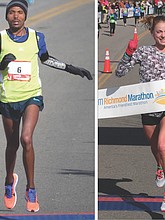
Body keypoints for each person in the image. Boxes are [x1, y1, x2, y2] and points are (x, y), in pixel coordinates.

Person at [0, 0, 92, 213]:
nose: (15, 16)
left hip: (32, 95)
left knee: (26, 139)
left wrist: (72, 68)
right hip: (7, 98)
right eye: (11, 12)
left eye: (20, 12)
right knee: (12, 145)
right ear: (6, 17)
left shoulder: (36, 37)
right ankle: (8, 182)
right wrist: (3, 64)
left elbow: (46, 59)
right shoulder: (1, 38)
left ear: (26, 16)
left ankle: (31, 188)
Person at [115, 15, 165, 212]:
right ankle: (159, 166)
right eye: (159, 32)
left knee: (164, 146)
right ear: (152, 33)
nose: (163, 35)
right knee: (156, 148)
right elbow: (120, 72)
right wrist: (128, 52)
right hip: (147, 107)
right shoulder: (144, 52)